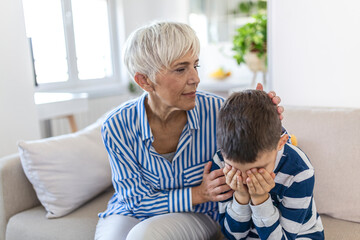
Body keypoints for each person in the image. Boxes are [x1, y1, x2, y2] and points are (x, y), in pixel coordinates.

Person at [94, 21, 283, 240]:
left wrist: (267, 116)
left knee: (143, 236)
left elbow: (265, 146)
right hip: (130, 211)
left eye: (196, 65)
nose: (195, 78)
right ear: (145, 81)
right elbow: (136, 201)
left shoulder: (217, 111)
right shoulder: (117, 125)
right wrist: (198, 193)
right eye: (181, 69)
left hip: (199, 212)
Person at [212, 90, 324, 240]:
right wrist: (241, 197)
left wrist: (260, 199)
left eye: (259, 169)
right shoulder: (221, 162)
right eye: (236, 169)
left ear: (281, 143)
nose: (247, 179)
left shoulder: (300, 171)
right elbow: (234, 236)